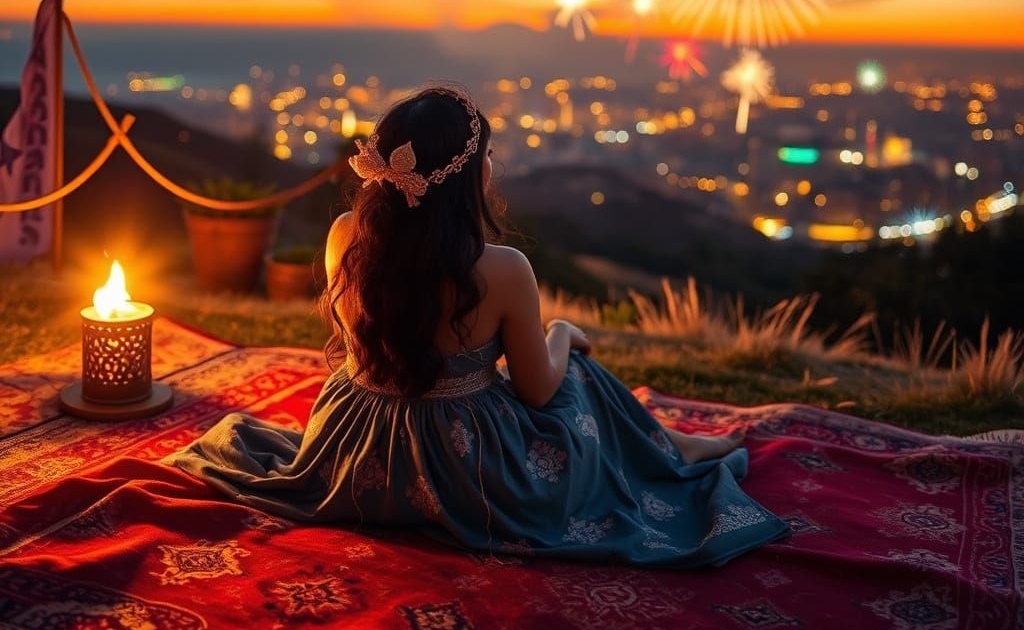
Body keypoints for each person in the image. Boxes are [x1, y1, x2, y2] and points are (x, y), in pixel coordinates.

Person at [167, 84, 788, 567]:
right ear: (464, 177)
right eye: (485, 153)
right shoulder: (501, 269)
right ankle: (672, 453)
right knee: (581, 375)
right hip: (465, 470)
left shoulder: (342, 239)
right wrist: (565, 335)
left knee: (570, 361)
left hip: (356, 450)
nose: (492, 163)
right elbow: (537, 391)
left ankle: (674, 447)